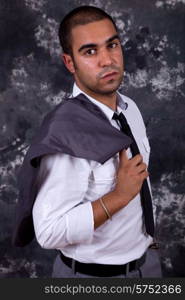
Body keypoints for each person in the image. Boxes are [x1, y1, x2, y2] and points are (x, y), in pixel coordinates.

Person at [14, 6, 162, 278]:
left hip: (147, 266)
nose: (108, 60)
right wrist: (119, 196)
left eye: (112, 45)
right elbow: (48, 232)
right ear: (70, 63)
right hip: (91, 278)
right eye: (90, 51)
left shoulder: (129, 108)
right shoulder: (64, 134)